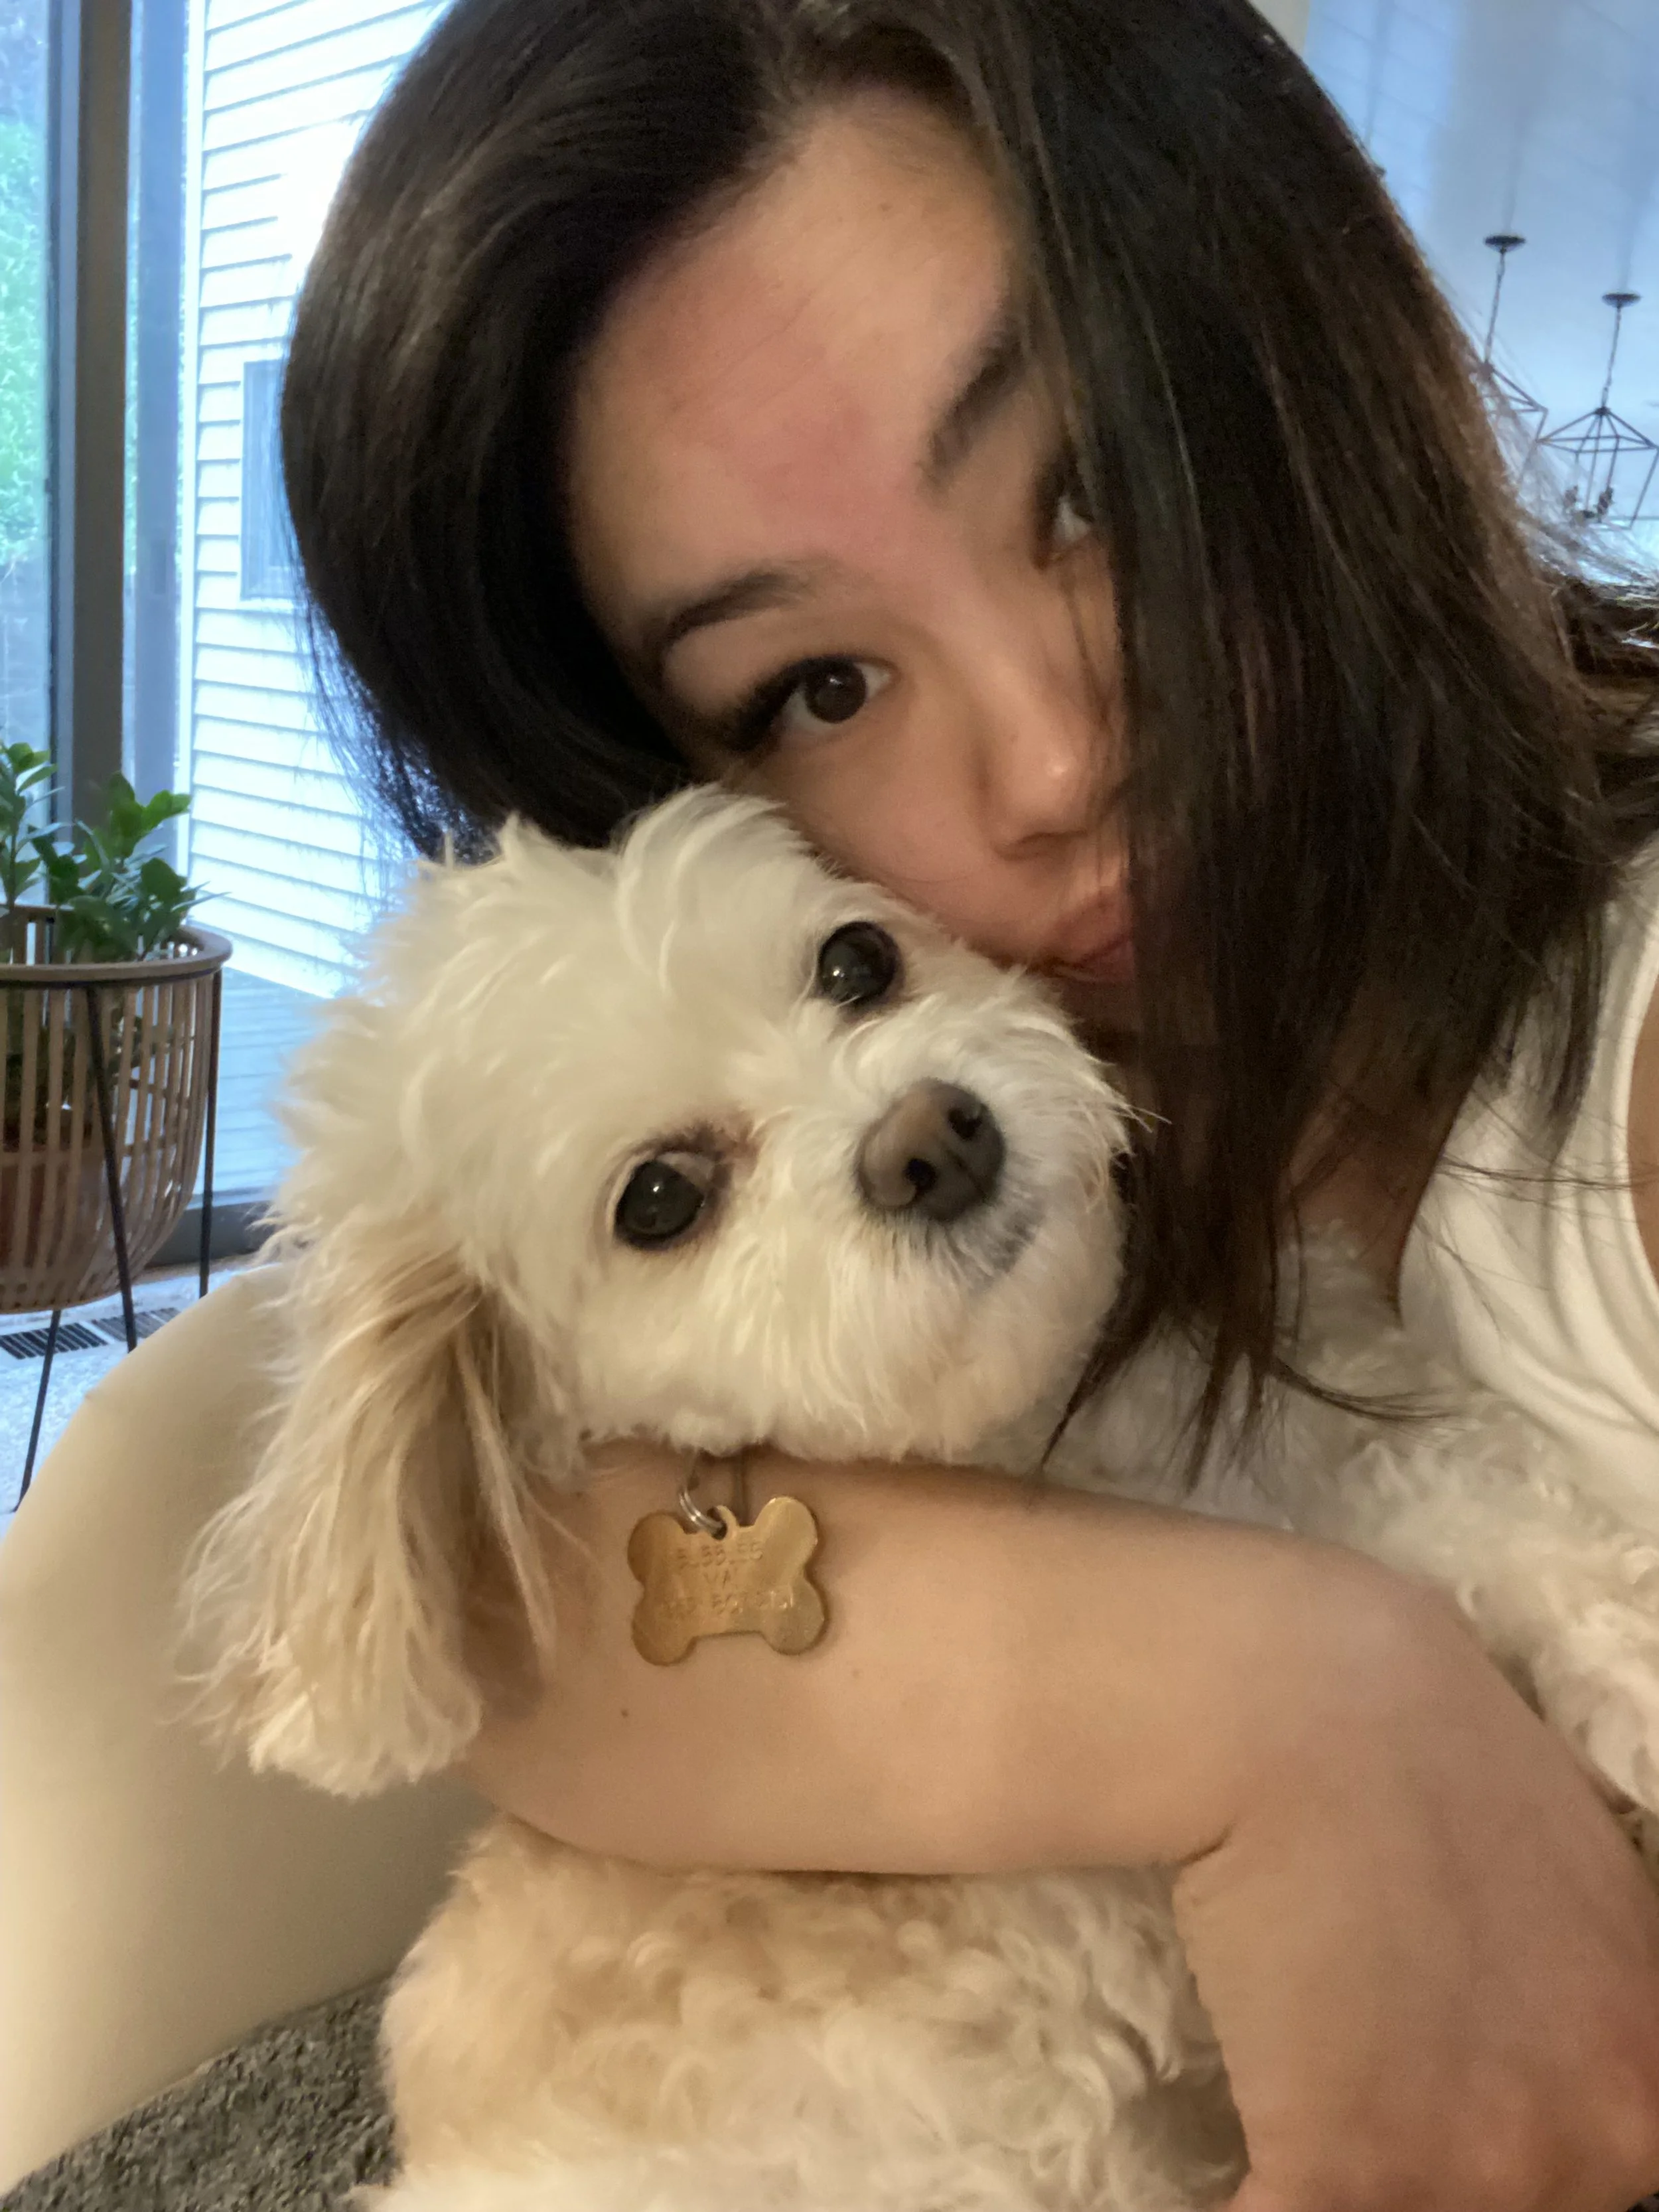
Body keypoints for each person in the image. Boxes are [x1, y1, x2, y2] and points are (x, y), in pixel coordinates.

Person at [275, 0, 1659, 2205]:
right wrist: (1299, 1697)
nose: (1056, 759)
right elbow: (523, 1598)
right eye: (812, 684)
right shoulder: (1052, 1126)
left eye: (1092, 488)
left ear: (1303, 331)